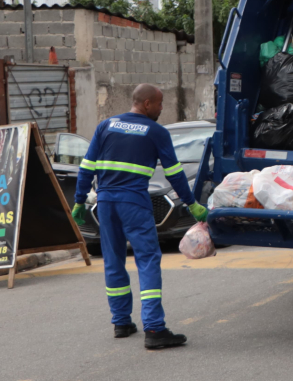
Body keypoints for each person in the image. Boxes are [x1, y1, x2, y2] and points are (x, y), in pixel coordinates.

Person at [71, 84, 208, 349]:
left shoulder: (106, 126)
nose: (161, 108)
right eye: (159, 103)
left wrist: (78, 201)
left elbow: (86, 167)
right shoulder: (156, 131)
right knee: (147, 260)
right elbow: (175, 173)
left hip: (106, 203)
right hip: (133, 202)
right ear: (146, 104)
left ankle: (121, 322)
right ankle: (155, 329)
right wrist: (192, 203)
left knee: (113, 260)